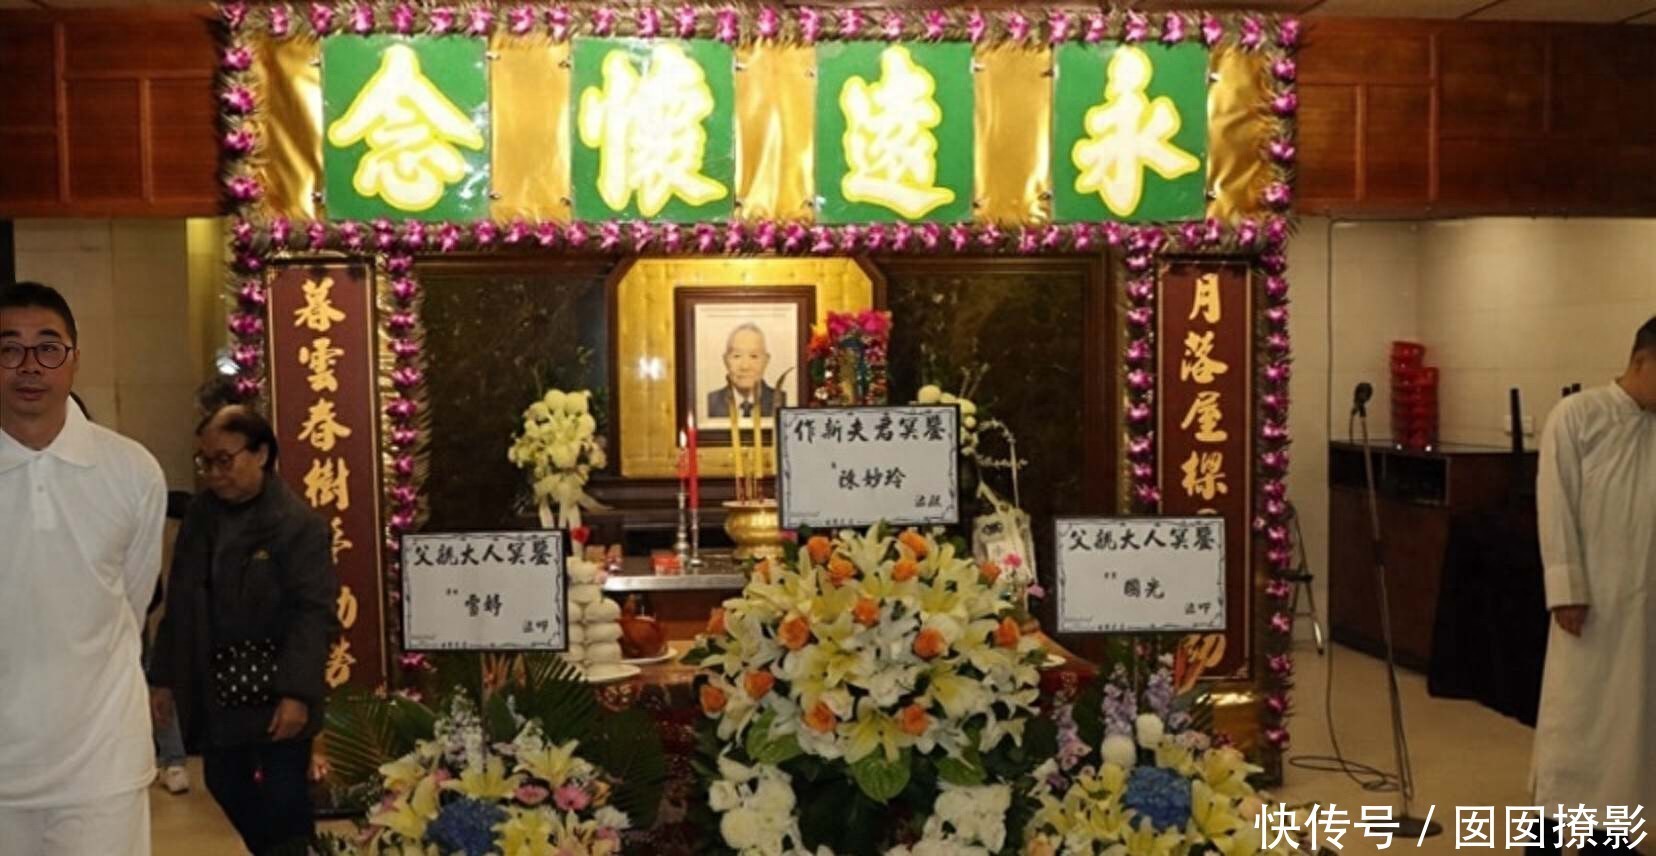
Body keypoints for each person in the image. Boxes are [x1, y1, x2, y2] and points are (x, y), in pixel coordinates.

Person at [0, 281, 167, 855]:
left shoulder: (131, 470)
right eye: (9, 348)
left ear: (74, 358)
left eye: (48, 347)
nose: (29, 365)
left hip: (102, 765)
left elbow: (133, 599)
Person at [149, 405, 340, 855]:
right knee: (224, 788)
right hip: (218, 691)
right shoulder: (201, 518)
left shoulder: (298, 525)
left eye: (225, 460)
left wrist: (297, 694)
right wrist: (163, 677)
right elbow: (181, 601)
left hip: (277, 689)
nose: (214, 474)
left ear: (262, 454)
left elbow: (313, 615)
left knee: (285, 805)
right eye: (205, 462)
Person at [1531, 315, 1656, 855]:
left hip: (1645, 610)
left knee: (1631, 742)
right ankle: (1546, 841)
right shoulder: (1579, 416)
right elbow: (1555, 505)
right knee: (1571, 732)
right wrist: (1567, 589)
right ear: (1642, 360)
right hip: (1591, 608)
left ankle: (1613, 844)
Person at [706, 322, 778, 419]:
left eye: (754, 356)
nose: (745, 366)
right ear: (725, 360)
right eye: (737, 356)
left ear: (766, 360)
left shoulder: (783, 401)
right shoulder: (709, 403)